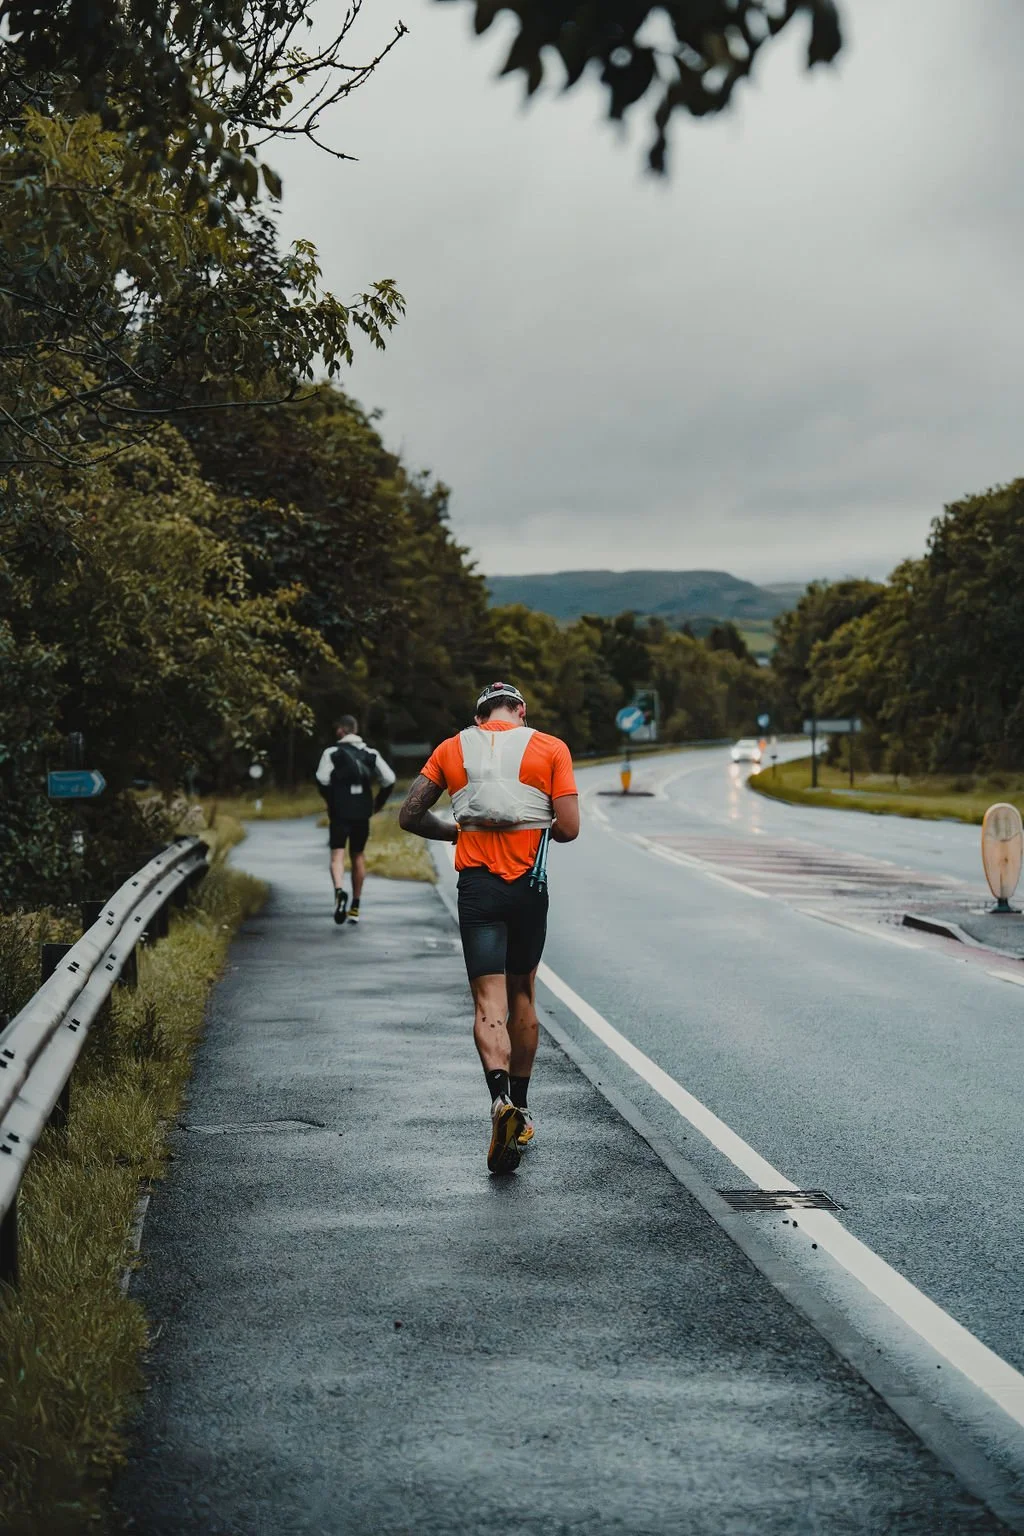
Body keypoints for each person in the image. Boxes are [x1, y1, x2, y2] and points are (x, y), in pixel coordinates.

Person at [399, 682, 579, 1174]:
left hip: (478, 890)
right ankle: (519, 1110)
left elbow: (409, 816)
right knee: (523, 992)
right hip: (529, 889)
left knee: (487, 1003)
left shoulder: (451, 748)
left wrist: (458, 830)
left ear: (479, 717)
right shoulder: (550, 747)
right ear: (520, 710)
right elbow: (568, 828)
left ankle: (498, 1099)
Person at [315, 715, 396, 925]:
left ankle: (339, 891)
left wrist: (331, 800)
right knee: (358, 855)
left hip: (340, 812)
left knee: (337, 856)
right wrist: (377, 804)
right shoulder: (370, 754)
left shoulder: (332, 753)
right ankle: (355, 906)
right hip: (362, 812)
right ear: (356, 729)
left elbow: (322, 779)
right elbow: (389, 779)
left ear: (342, 730)